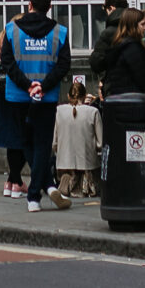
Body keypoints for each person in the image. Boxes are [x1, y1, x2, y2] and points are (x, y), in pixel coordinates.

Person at [1, 0, 71, 213]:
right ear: (49, 7)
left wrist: (27, 84)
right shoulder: (60, 32)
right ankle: (40, 190)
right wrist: (43, 84)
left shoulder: (11, 29)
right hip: (46, 95)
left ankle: (41, 189)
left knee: (25, 142)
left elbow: (8, 64)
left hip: (18, 95)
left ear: (29, 5)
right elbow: (63, 66)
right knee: (42, 143)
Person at [0, 22, 27, 197]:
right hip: (16, 92)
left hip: (1, 93)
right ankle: (15, 181)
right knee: (23, 138)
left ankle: (11, 182)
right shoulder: (16, 43)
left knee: (12, 141)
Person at [52, 78, 101, 209]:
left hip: (64, 163)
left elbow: (54, 142)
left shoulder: (59, 111)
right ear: (85, 96)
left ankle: (66, 181)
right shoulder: (93, 112)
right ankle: (84, 185)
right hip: (87, 164)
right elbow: (100, 143)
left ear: (68, 96)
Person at [100, 8, 145, 97]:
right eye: (142, 24)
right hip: (134, 100)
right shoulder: (134, 48)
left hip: (117, 99)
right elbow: (144, 80)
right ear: (133, 26)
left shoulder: (118, 46)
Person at [88, 0, 129, 94]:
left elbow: (96, 62)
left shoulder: (109, 32)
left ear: (111, 8)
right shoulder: (135, 28)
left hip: (114, 85)